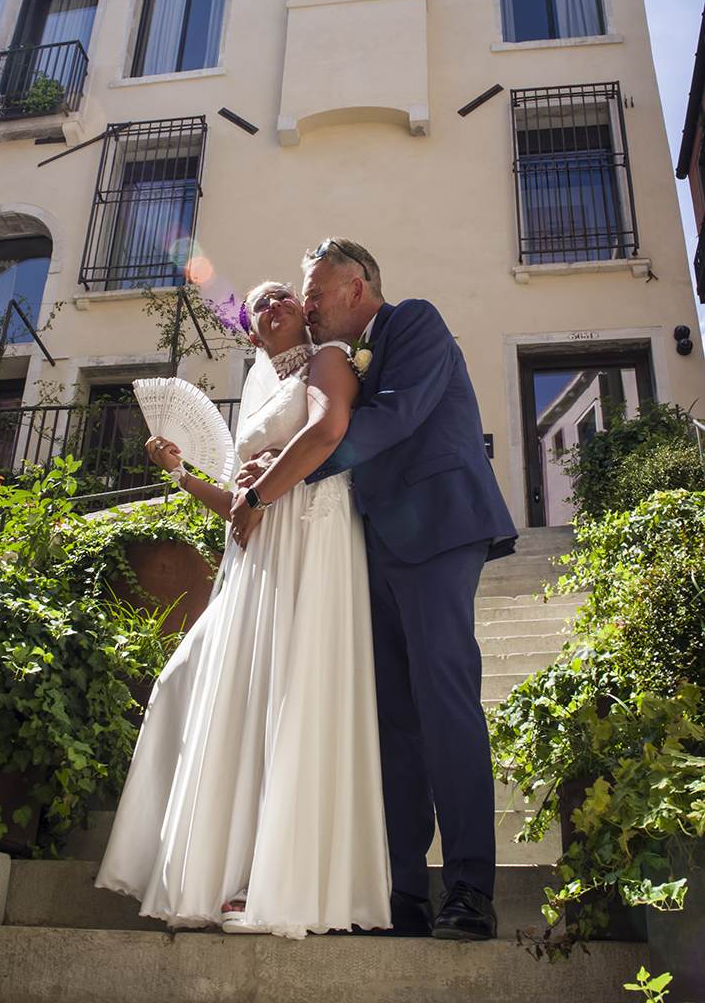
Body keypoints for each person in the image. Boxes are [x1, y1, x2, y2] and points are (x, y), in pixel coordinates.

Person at [95, 281, 391, 938]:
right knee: (200, 688)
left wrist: (262, 491)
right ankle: (205, 867)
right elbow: (238, 502)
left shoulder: (331, 358)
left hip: (312, 536)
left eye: (285, 294)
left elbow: (326, 434)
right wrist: (180, 472)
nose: (276, 303)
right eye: (261, 303)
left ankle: (274, 878)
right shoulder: (257, 390)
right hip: (258, 551)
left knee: (293, 691)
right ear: (252, 333)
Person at [299, 239, 517, 941]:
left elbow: (392, 416)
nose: (307, 306)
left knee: (444, 700)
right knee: (396, 722)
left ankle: (470, 890)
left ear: (357, 287)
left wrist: (292, 470)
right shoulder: (332, 359)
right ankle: (403, 892)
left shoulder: (414, 321)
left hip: (440, 530)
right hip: (377, 546)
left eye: (316, 293)